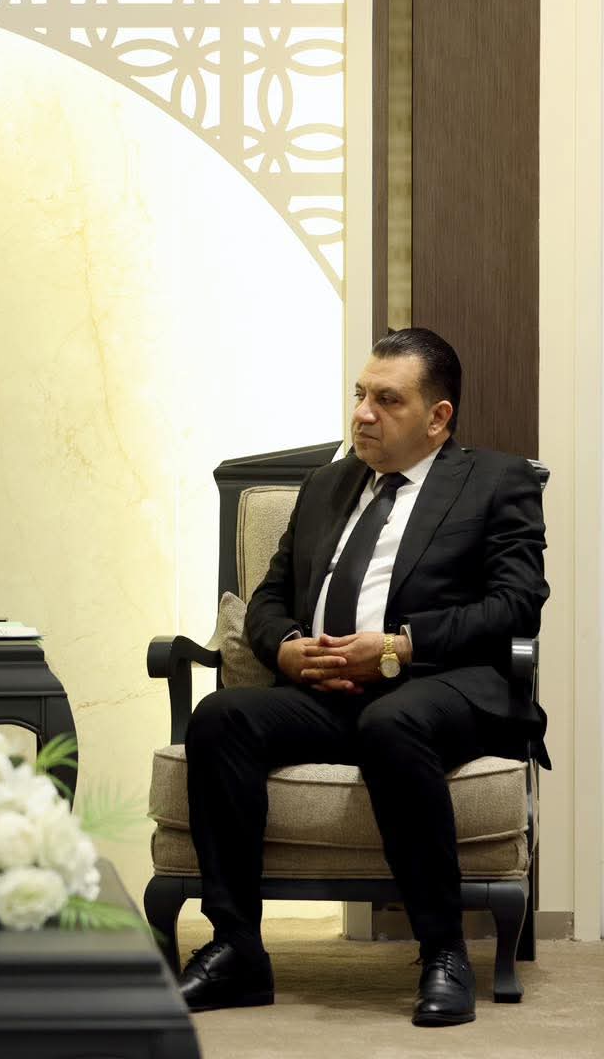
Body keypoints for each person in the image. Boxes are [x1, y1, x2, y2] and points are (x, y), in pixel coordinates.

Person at [179, 328, 548, 1027]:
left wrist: (402, 647)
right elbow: (270, 596)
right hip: (324, 694)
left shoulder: (497, 481)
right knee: (222, 717)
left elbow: (516, 604)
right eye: (360, 395)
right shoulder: (327, 485)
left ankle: (443, 952)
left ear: (437, 417)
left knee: (392, 720)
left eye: (387, 400)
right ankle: (237, 949)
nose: (363, 415)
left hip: (440, 688)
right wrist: (287, 649)